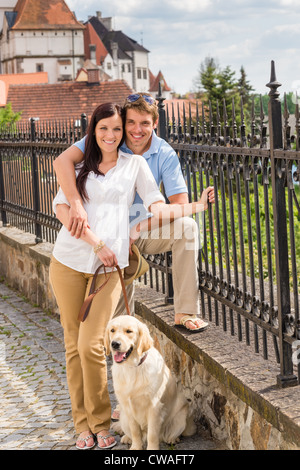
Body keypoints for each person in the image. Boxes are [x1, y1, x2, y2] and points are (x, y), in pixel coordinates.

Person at [49, 102, 212, 450]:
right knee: (72, 345)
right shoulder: (80, 166)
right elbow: (61, 207)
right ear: (93, 131)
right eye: (104, 129)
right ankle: (83, 426)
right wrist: (94, 240)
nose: (112, 135)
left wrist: (194, 207)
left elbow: (157, 204)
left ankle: (102, 421)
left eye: (116, 130)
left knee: (92, 344)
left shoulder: (135, 164)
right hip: (68, 261)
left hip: (109, 267)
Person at [53, 93, 215, 336]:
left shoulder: (164, 153)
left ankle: (185, 312)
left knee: (188, 227)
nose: (137, 130)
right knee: (111, 320)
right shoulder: (109, 136)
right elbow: (62, 161)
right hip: (103, 234)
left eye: (145, 123)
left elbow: (177, 204)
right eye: (131, 122)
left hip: (142, 229)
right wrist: (75, 203)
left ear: (155, 124)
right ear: (123, 122)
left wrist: (136, 229)